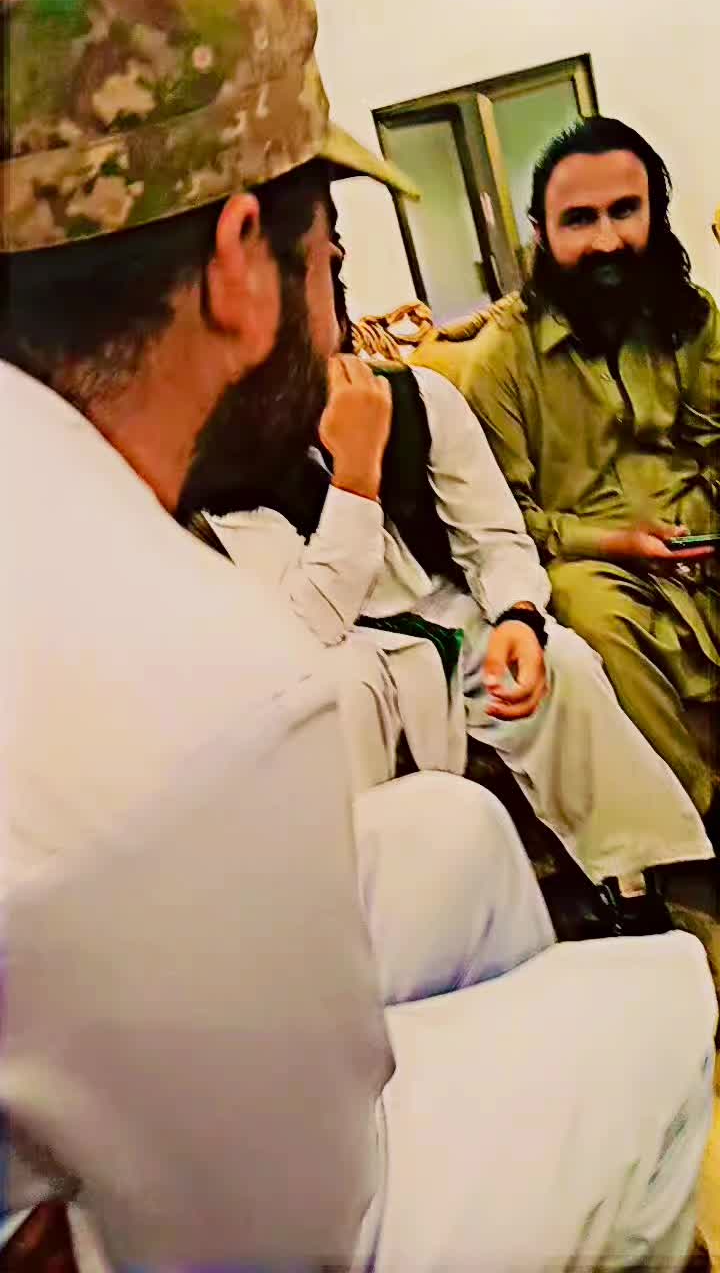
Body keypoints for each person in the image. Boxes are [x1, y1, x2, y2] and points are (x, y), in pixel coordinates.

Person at [1, 0, 717, 1271]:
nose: (345, 312)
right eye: (327, 257)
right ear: (242, 263)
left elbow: (497, 544)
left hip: (107, 1024)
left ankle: (621, 893)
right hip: (208, 1216)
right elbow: (301, 1222)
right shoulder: (197, 666)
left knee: (455, 828)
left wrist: (516, 612)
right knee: (660, 1003)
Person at [188, 239, 714, 923]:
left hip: (452, 623)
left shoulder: (422, 397)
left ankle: (640, 889)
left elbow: (494, 538)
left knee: (564, 664)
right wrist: (356, 476)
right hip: (343, 650)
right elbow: (311, 620)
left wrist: (519, 615)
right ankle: (377, 928)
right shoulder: (222, 461)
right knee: (340, 699)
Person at [417, 119, 720, 864]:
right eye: (579, 219)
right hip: (593, 564)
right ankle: (694, 853)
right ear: (541, 233)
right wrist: (616, 541)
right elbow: (504, 522)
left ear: (656, 214)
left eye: (625, 211)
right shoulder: (500, 361)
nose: (606, 240)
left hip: (702, 537)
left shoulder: (692, 318)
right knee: (593, 617)